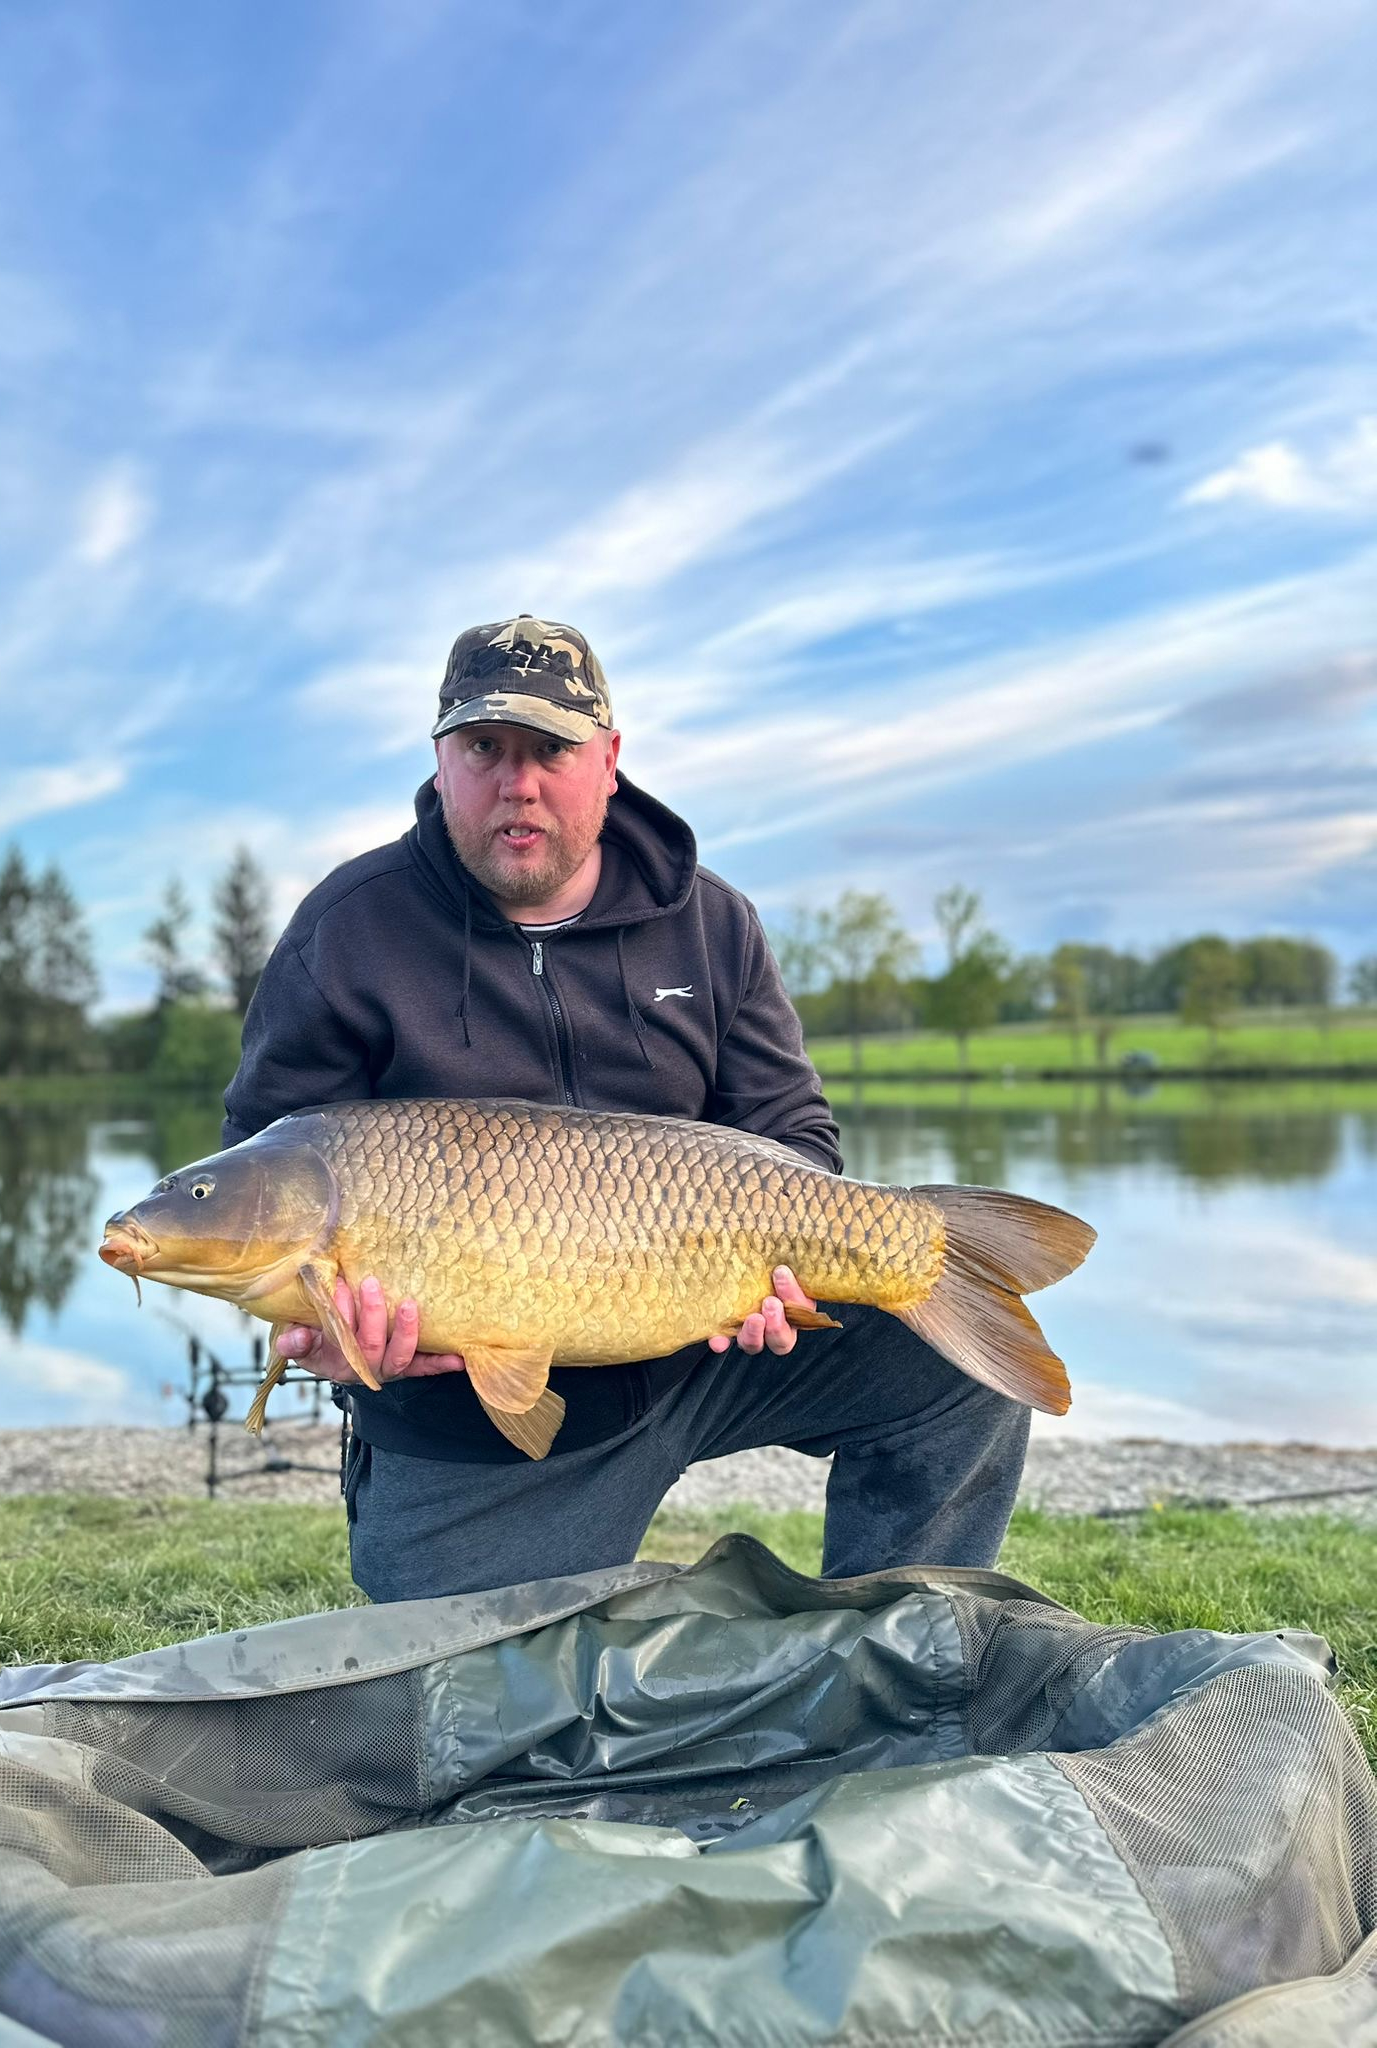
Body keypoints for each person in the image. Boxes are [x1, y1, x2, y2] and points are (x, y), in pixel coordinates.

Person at [222, 616, 1029, 1602]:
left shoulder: (711, 920)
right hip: (474, 1420)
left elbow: (793, 1132)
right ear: (441, 763)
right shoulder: (348, 931)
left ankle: (904, 1634)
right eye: (485, 748)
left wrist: (780, 1280)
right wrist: (329, 1341)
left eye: (551, 749)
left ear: (608, 761)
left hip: (703, 1344)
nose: (518, 782)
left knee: (960, 1362)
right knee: (483, 1688)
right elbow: (267, 1162)